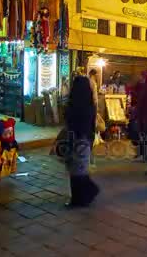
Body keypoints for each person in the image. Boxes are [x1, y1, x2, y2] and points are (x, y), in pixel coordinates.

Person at [63, 76, 100, 207]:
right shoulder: (90, 105)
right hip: (85, 139)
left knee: (75, 170)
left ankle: (82, 196)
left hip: (75, 138)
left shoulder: (72, 104)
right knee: (80, 169)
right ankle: (83, 195)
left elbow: (68, 121)